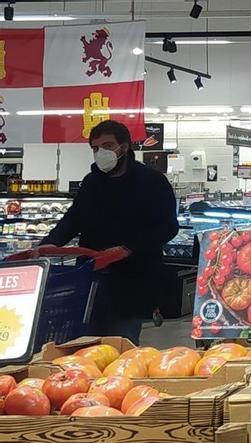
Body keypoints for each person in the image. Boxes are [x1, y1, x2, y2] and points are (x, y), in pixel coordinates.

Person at [35, 120, 179, 344]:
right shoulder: (92, 182)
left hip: (132, 280)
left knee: (121, 343)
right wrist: (50, 243)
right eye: (95, 148)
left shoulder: (152, 182)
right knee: (83, 344)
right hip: (88, 277)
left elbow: (167, 227)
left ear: (124, 147)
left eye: (107, 145)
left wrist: (128, 248)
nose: (100, 152)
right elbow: (74, 219)